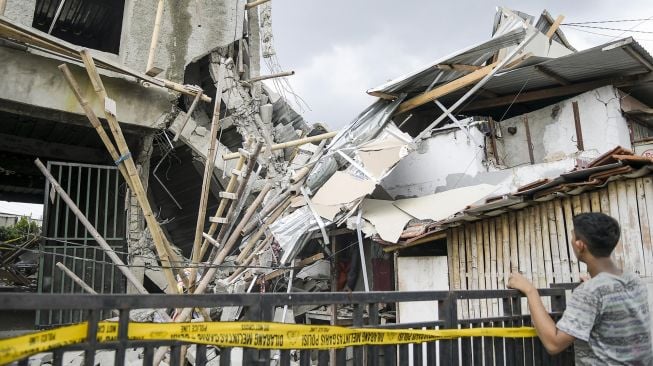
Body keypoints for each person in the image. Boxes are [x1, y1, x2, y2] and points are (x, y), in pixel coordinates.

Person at [508, 212, 652, 365]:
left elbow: (554, 344)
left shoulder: (591, 292)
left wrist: (530, 291)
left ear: (580, 244)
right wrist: (595, 285)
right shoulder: (634, 281)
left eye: (572, 236)